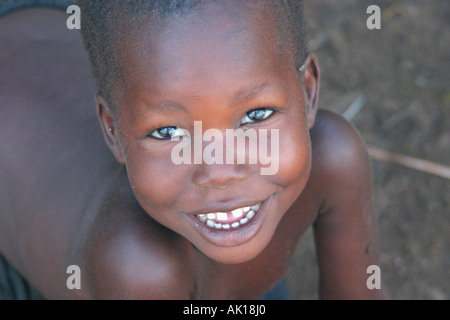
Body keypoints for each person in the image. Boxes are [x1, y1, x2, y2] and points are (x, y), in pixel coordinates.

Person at [0, 0, 389, 299]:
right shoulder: (140, 267)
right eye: (168, 131)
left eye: (256, 115)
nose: (219, 172)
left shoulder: (335, 157)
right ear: (113, 130)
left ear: (307, 91)